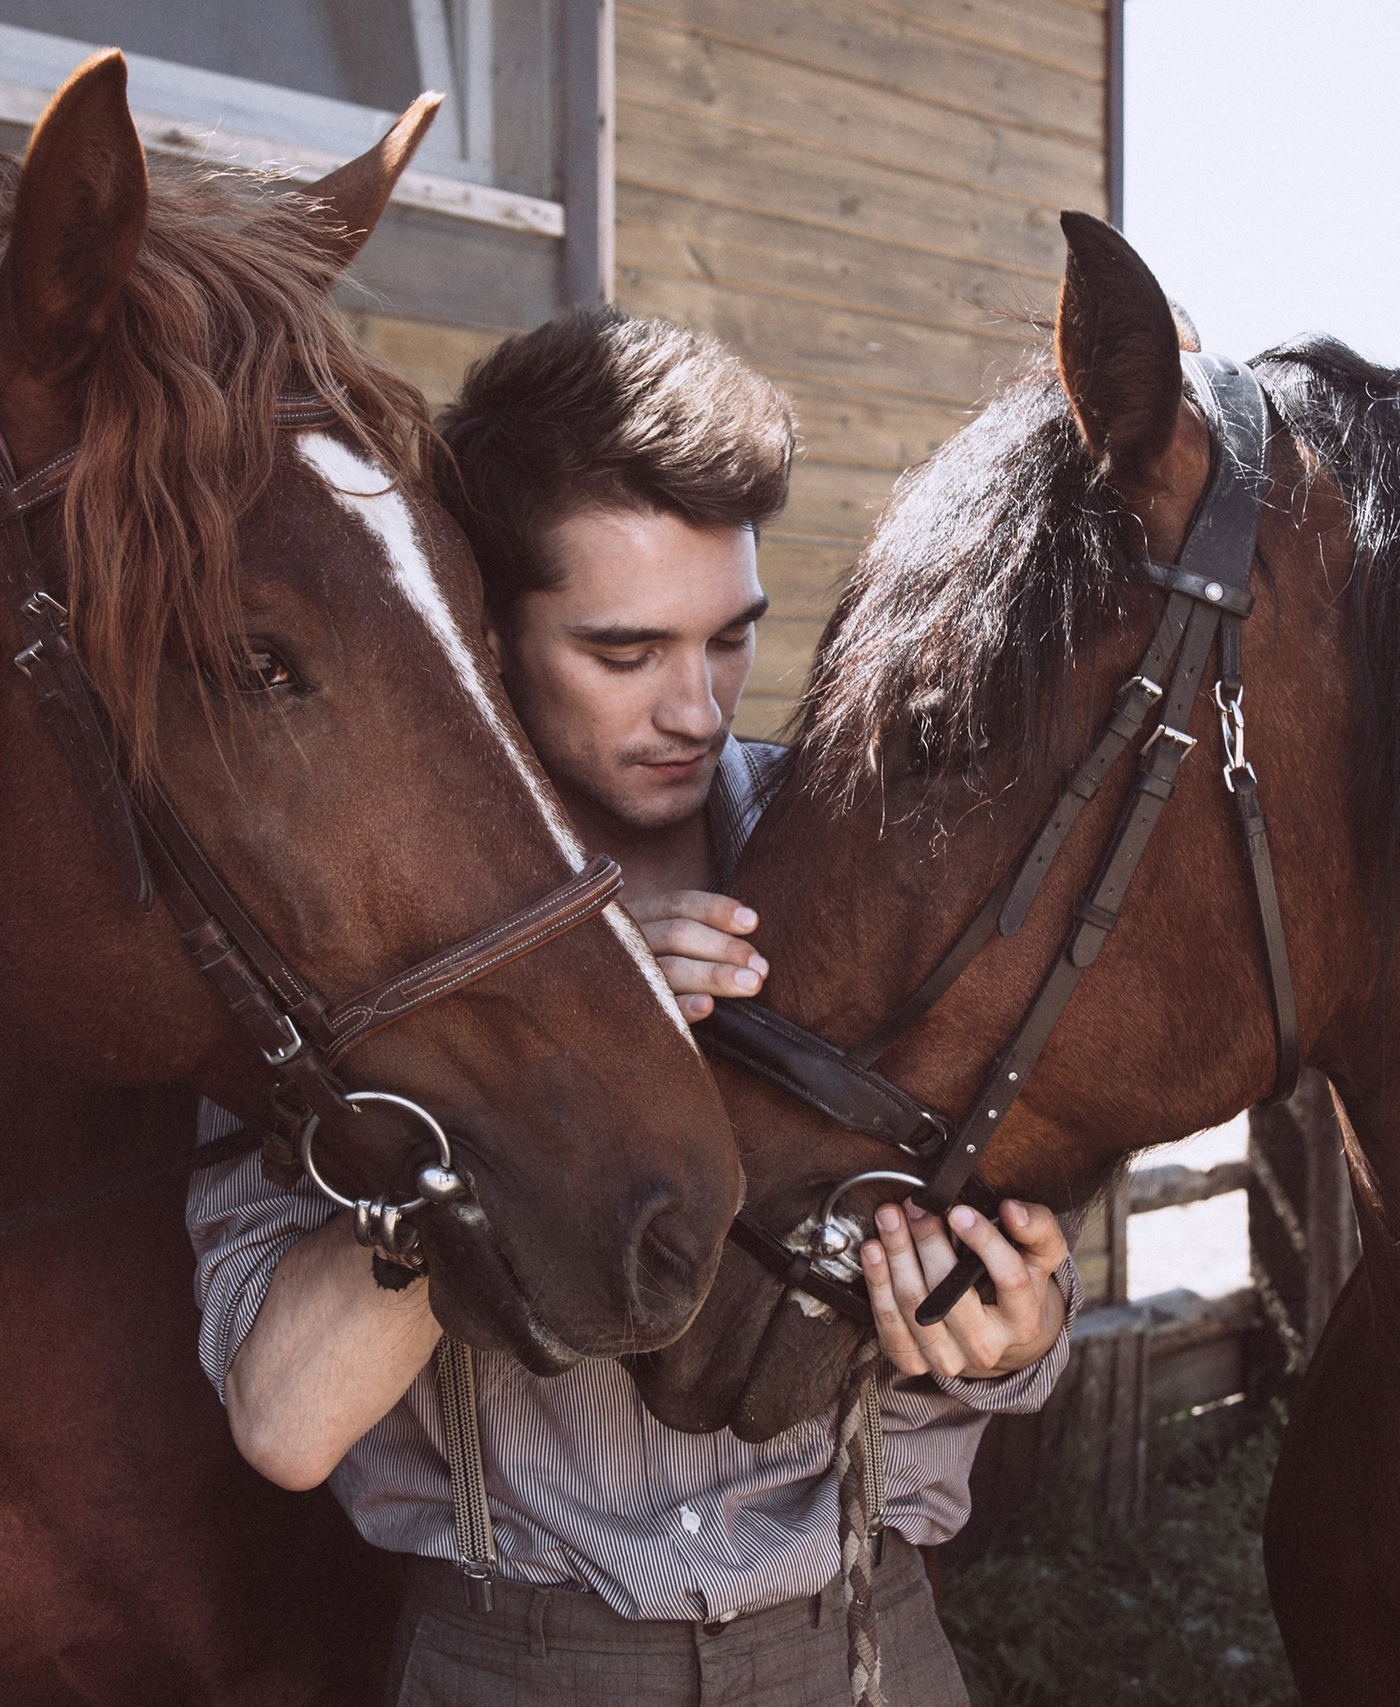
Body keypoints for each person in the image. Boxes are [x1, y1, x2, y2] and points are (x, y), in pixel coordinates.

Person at [187, 310, 1076, 1707]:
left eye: (729, 641)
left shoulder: (854, 858)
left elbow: (1002, 1276)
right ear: (483, 632)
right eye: (624, 652)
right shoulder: (343, 936)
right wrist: (546, 1058)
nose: (699, 709)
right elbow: (286, 1420)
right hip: (516, 1662)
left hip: (867, 1645)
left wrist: (1014, 1328)